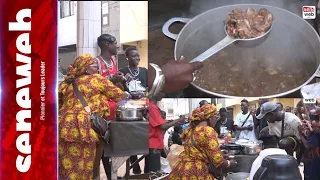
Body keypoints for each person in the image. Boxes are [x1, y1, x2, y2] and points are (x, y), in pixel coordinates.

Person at [58, 54, 128, 180]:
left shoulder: (66, 84)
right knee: (84, 166)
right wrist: (128, 94)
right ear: (86, 68)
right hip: (84, 126)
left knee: (67, 167)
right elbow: (119, 96)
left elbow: (59, 104)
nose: (97, 68)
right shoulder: (96, 79)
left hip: (64, 127)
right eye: (95, 66)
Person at [168, 104, 237, 180]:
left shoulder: (191, 130)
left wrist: (221, 155)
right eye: (216, 117)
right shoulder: (207, 131)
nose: (216, 120)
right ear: (210, 118)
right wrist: (230, 163)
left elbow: (199, 151)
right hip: (196, 171)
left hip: (183, 169)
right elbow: (218, 161)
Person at [96, 34, 126, 179]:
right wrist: (111, 79)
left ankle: (112, 174)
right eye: (115, 43)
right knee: (104, 146)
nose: (118, 46)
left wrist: (121, 79)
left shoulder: (113, 60)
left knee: (112, 147)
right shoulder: (96, 63)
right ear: (107, 45)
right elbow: (93, 84)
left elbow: (114, 85)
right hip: (102, 110)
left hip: (115, 106)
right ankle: (107, 175)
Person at [146, 93, 186, 173]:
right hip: (153, 145)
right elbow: (163, 126)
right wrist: (178, 120)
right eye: (162, 91)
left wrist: (178, 121)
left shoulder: (153, 107)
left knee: (151, 170)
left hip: (154, 144)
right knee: (154, 172)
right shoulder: (152, 107)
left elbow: (166, 123)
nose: (164, 94)